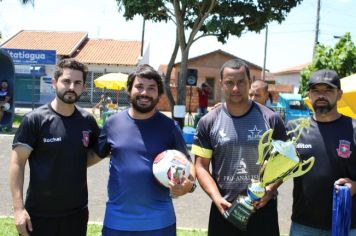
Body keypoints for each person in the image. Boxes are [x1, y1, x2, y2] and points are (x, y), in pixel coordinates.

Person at [87, 64, 196, 236]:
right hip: (117, 221)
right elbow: (93, 155)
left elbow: (187, 162)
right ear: (129, 90)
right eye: (139, 87)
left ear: (159, 94)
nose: (144, 93)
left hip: (159, 222)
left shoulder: (169, 127)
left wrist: (189, 185)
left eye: (151, 88)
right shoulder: (112, 123)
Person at [192, 59, 287, 236]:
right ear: (221, 84)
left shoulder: (271, 119)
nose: (235, 88)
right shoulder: (208, 122)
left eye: (241, 82)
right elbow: (201, 166)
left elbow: (285, 163)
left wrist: (270, 189)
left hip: (263, 210)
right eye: (229, 82)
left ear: (249, 83)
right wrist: (216, 197)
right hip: (224, 209)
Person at [8, 58, 100, 236]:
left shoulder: (87, 121)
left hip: (76, 214)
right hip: (39, 215)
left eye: (77, 82)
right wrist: (19, 209)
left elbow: (90, 155)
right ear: (54, 82)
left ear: (83, 87)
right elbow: (17, 164)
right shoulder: (35, 120)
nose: (71, 87)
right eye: (66, 81)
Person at [287, 69, 356, 235]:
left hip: (345, 225)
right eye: (316, 91)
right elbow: (278, 171)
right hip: (303, 224)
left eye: (328, 90)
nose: (321, 95)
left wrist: (355, 186)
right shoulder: (294, 129)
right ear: (309, 95)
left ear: (339, 94)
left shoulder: (354, 128)